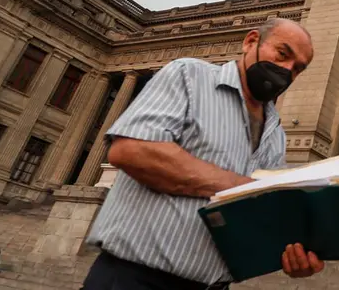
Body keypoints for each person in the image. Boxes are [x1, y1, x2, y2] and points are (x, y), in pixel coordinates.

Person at [82, 18, 323, 290]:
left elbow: (257, 217)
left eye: (298, 68)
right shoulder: (189, 76)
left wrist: (291, 249)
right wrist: (248, 189)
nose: (287, 70)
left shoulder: (275, 132)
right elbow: (132, 151)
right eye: (282, 54)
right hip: (135, 280)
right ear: (251, 41)